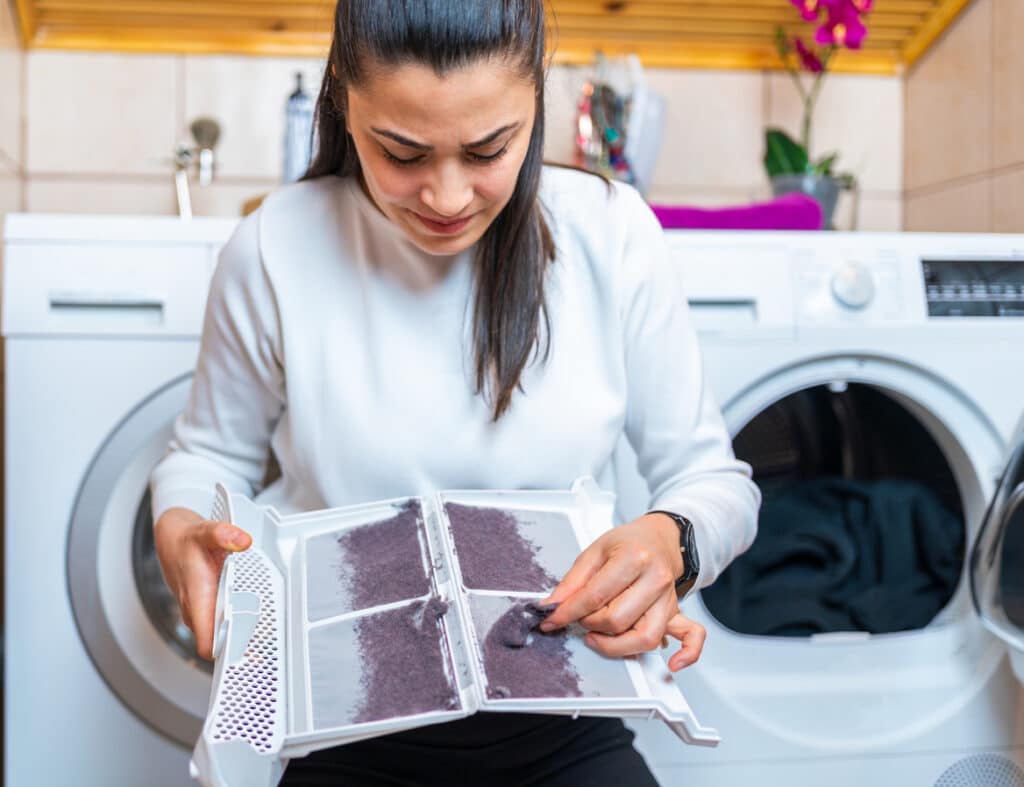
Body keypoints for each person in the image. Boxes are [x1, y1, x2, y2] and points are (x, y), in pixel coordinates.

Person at [151, 1, 760, 784]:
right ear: (344, 100)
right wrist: (183, 523)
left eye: (488, 149)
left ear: (537, 99)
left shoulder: (611, 234)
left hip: (568, 724)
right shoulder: (275, 244)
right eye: (400, 151)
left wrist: (671, 539)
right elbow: (206, 454)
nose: (445, 197)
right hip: (342, 727)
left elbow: (716, 482)